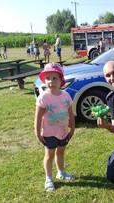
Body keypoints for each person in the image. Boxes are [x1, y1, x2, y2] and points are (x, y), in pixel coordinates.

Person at [34, 62, 75, 191]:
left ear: (61, 80)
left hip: (63, 131)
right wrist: (37, 132)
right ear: (44, 81)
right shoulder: (43, 98)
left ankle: (61, 172)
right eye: (48, 78)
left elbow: (71, 114)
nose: (51, 81)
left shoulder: (66, 96)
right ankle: (49, 178)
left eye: (54, 78)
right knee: (49, 155)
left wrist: (72, 129)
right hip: (49, 133)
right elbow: (38, 117)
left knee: (61, 152)